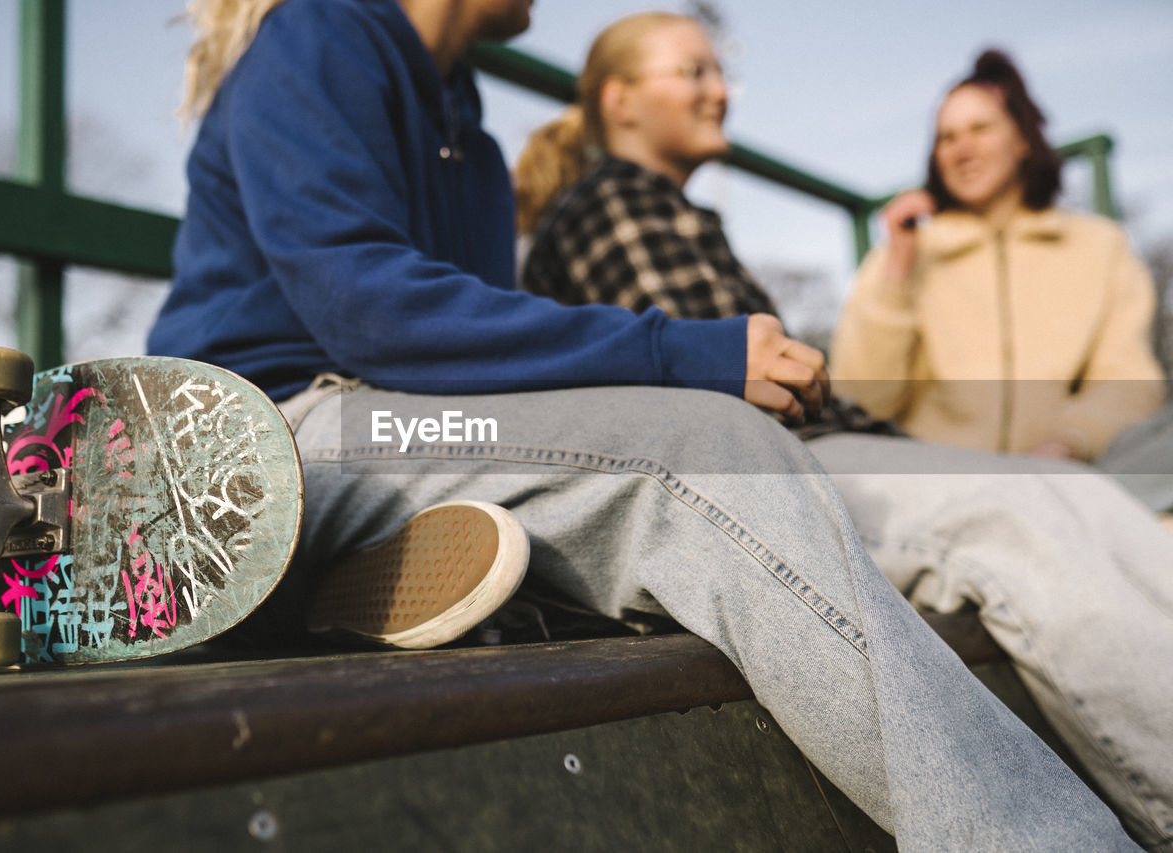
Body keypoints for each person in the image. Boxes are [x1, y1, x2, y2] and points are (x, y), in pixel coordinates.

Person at [146, 1, 1147, 848]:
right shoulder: (318, 31)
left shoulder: (474, 141)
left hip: (408, 430)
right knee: (711, 451)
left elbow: (484, 366)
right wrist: (684, 354)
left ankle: (336, 580)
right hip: (279, 433)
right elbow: (372, 309)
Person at [515, 13, 1172, 850]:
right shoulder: (612, 205)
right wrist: (890, 285)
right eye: (693, 72)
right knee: (1016, 513)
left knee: (1075, 493)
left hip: (859, 448)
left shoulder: (1095, 244)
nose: (721, 90)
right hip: (783, 465)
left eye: (719, 71)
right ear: (622, 100)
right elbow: (788, 394)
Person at [828, 49, 1173, 517]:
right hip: (946, 497)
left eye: (980, 129)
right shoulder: (900, 257)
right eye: (946, 136)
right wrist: (897, 281)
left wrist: (1065, 445)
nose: (961, 148)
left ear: (1023, 140)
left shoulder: (1100, 246)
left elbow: (1128, 382)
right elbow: (862, 402)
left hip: (1075, 476)